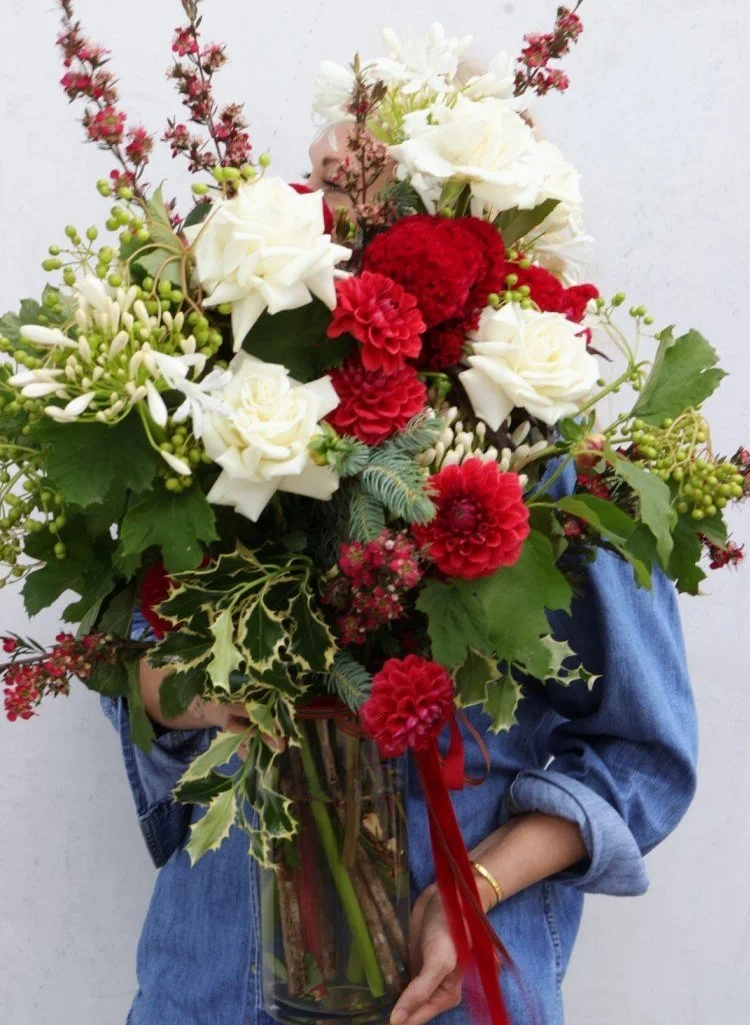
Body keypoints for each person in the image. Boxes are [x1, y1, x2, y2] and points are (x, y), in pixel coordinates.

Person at [102, 136, 698, 1025]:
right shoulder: (219, 423)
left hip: (452, 984)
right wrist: (202, 696)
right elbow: (138, 672)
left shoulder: (555, 472)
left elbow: (643, 751)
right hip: (215, 977)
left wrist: (476, 888)